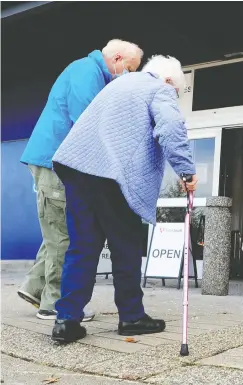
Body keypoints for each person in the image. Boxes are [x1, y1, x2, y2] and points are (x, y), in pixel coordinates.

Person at [50, 55, 198, 343]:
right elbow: (170, 126)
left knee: (82, 248)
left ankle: (66, 320)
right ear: (169, 81)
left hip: (78, 168)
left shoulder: (117, 86)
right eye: (177, 91)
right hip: (112, 175)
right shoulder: (159, 89)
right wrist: (187, 170)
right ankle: (131, 317)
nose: (175, 96)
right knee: (125, 246)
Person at [18, 39, 144, 321]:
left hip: (54, 160)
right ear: (118, 58)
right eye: (130, 68)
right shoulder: (86, 71)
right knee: (65, 233)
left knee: (56, 226)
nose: (130, 75)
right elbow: (87, 122)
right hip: (56, 161)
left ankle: (35, 287)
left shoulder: (89, 72)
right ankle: (53, 303)